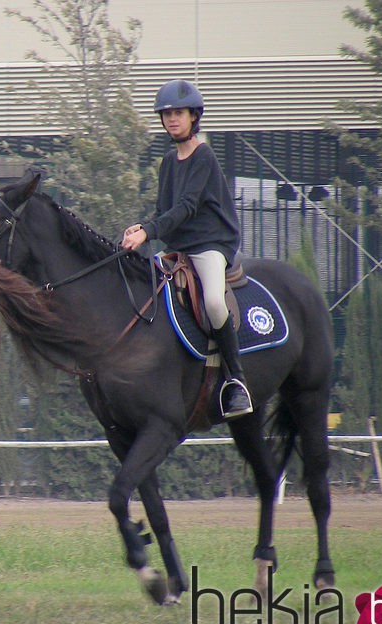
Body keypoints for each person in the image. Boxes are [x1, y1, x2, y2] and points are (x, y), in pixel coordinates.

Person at [119, 79, 253, 419]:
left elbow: (188, 207)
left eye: (178, 113)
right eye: (166, 114)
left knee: (212, 300)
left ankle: (235, 381)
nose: (171, 120)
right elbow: (167, 212)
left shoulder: (203, 156)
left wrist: (148, 233)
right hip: (178, 248)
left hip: (209, 245)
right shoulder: (168, 162)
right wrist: (142, 227)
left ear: (194, 116)